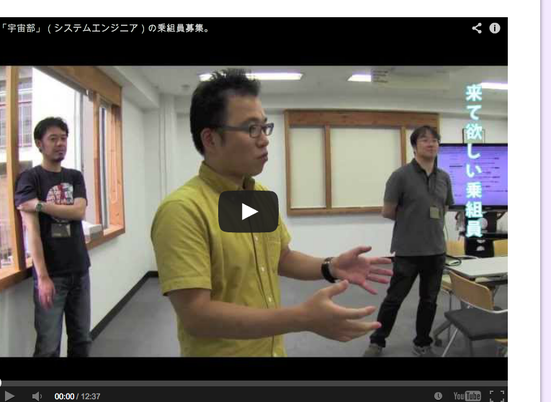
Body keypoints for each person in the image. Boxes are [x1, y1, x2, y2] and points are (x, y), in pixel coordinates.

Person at [151, 69, 393, 357]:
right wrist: (302, 317)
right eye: (251, 128)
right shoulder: (183, 210)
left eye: (264, 127)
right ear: (211, 139)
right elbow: (197, 315)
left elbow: (280, 257)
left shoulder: (256, 195)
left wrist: (330, 266)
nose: (264, 139)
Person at [363, 125, 454, 358]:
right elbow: (387, 211)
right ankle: (377, 342)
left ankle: (422, 343)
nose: (431, 144)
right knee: (394, 299)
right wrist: (412, 222)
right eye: (424, 140)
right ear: (414, 146)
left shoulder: (444, 177)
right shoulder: (400, 176)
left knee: (429, 301)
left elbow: (444, 208)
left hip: (436, 251)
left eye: (434, 140)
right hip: (408, 250)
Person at [14, 117, 92, 357]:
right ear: (40, 144)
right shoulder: (30, 179)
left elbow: (79, 212)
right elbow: (32, 232)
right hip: (52, 275)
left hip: (80, 269)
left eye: (64, 138)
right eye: (53, 139)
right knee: (48, 346)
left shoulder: (74, 176)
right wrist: (43, 278)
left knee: (82, 339)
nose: (60, 143)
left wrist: (40, 205)